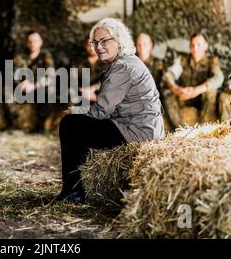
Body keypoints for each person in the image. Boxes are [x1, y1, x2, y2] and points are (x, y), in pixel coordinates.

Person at [55, 18, 165, 203]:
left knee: (71, 125)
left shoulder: (123, 67)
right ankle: (78, 187)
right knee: (79, 124)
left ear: (119, 40)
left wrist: (75, 111)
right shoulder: (125, 62)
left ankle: (73, 191)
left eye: (104, 41)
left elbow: (101, 112)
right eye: (95, 42)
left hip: (138, 131)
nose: (99, 47)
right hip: (141, 126)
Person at [162, 33, 224, 128]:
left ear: (205, 46)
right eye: (192, 45)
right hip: (186, 97)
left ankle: (204, 128)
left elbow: (219, 78)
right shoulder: (183, 60)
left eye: (198, 45)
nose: (195, 48)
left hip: (202, 97)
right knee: (168, 94)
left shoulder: (212, 61)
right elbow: (169, 75)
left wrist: (198, 90)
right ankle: (180, 130)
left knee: (211, 91)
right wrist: (176, 89)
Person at [11, 30, 55, 132]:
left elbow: (51, 76)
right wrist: (21, 84)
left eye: (35, 41)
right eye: (30, 41)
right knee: (6, 91)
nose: (32, 44)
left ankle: (41, 125)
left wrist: (34, 85)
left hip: (38, 88)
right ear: (27, 43)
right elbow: (12, 74)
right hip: (22, 89)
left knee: (50, 91)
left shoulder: (46, 57)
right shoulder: (20, 57)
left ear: (41, 42)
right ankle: (15, 124)